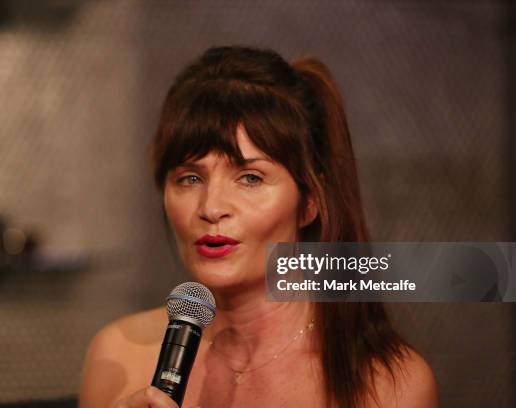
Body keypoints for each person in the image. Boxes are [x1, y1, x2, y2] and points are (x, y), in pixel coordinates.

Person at [78, 46, 439, 408]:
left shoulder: (390, 385)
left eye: (250, 178)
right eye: (189, 178)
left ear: (310, 200)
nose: (211, 207)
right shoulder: (118, 355)